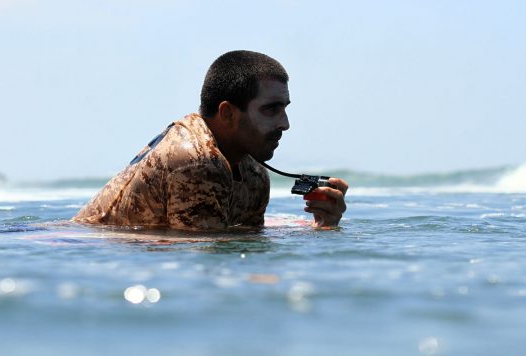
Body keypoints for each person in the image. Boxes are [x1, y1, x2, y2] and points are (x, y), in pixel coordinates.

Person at [73, 50, 348, 230]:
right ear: (227, 113)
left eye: (285, 108)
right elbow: (204, 256)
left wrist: (322, 224)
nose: (285, 124)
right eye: (271, 109)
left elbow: (244, 242)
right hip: (74, 243)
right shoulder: (194, 160)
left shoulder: (252, 170)